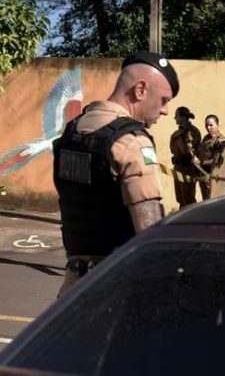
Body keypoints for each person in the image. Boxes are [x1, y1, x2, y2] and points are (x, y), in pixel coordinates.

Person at [53, 51, 179, 298]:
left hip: (72, 288)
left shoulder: (72, 132)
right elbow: (148, 229)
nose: (164, 111)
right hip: (116, 288)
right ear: (140, 90)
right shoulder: (132, 142)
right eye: (164, 100)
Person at [169, 106, 202, 208]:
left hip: (188, 169)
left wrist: (179, 140)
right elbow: (172, 150)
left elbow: (187, 150)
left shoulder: (192, 131)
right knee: (180, 198)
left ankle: (194, 221)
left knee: (188, 198)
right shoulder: (177, 133)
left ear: (183, 117)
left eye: (177, 116)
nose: (175, 118)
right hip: (178, 167)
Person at [197, 114, 225, 200]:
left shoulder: (221, 141)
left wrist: (201, 162)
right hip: (203, 176)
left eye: (211, 125)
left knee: (210, 201)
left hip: (213, 177)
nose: (208, 128)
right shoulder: (206, 138)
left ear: (217, 125)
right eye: (206, 125)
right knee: (204, 200)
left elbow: (218, 160)